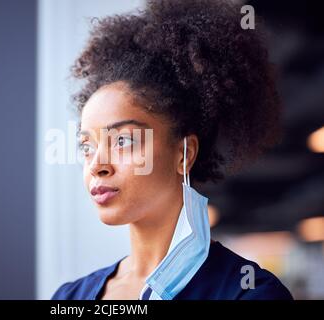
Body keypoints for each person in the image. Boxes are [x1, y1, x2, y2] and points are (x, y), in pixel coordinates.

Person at [51, 0, 293, 300]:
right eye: (87, 146)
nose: (97, 165)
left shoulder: (248, 293)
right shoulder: (70, 297)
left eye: (123, 141)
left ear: (184, 153)